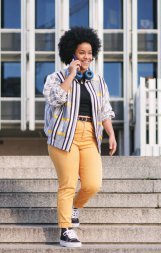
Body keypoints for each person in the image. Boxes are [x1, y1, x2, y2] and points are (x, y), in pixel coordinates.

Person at [43, 27, 117, 248]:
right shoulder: (55, 77)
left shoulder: (98, 81)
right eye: (82, 52)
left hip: (90, 136)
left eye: (90, 52)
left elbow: (104, 110)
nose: (87, 57)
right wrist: (71, 75)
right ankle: (66, 230)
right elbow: (55, 100)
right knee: (67, 184)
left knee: (93, 184)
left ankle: (75, 206)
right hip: (64, 135)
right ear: (72, 54)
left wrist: (111, 134)